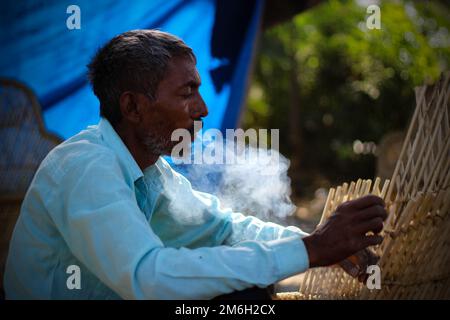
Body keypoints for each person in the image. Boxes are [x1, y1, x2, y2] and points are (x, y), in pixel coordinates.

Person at [4, 30, 387, 300]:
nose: (202, 109)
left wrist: (314, 245)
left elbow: (223, 229)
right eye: (187, 93)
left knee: (245, 292)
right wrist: (311, 250)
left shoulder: (151, 171)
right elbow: (148, 278)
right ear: (133, 107)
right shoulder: (86, 167)